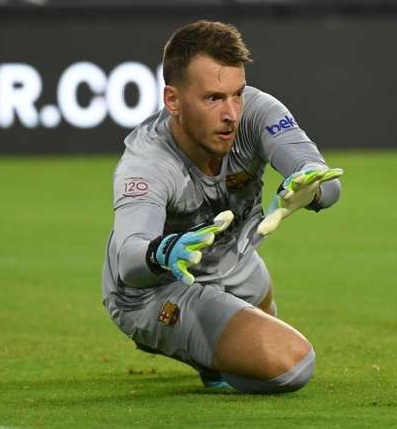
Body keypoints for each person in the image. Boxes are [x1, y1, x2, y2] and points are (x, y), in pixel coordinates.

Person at [101, 20, 342, 394]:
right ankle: (186, 340)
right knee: (292, 364)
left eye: (237, 94)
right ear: (173, 101)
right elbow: (131, 262)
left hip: (234, 265)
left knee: (257, 307)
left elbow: (327, 182)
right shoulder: (147, 163)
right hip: (158, 288)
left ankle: (212, 351)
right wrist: (166, 250)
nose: (231, 113)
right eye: (213, 98)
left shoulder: (258, 113)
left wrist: (309, 189)